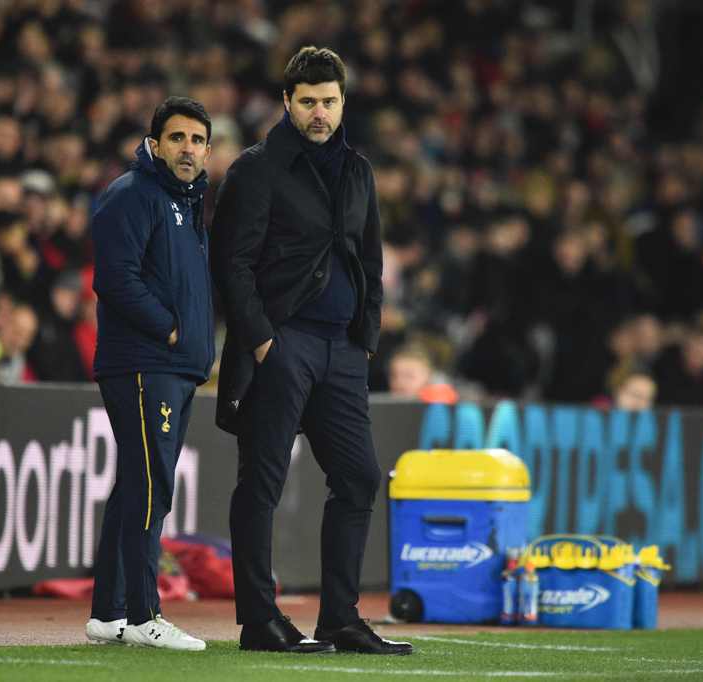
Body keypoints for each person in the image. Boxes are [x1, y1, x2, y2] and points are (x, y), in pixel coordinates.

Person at [211, 47, 412, 655]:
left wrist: (366, 339)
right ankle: (259, 621)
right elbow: (231, 264)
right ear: (287, 104)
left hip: (342, 351)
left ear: (343, 102)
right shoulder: (257, 168)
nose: (319, 112)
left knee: (357, 477)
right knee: (263, 481)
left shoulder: (358, 170)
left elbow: (371, 261)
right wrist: (265, 340)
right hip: (284, 342)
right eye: (307, 102)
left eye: (328, 101)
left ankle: (340, 619)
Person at [85, 97, 214, 651]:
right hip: (144, 363)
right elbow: (114, 278)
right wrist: (168, 329)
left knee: (135, 485)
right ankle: (144, 614)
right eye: (178, 138)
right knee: (149, 485)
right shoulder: (134, 195)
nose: (189, 148)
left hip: (173, 366)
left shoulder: (185, 201)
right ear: (155, 143)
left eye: (198, 140)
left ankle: (108, 613)